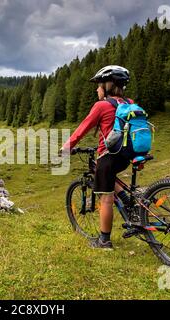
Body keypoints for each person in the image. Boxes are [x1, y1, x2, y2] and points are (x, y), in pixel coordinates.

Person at [61, 65, 134, 250]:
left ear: (107, 85)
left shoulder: (101, 106)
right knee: (111, 176)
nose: (96, 89)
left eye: (99, 85)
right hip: (126, 155)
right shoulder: (129, 103)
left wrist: (67, 147)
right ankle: (126, 200)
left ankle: (104, 241)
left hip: (108, 156)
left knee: (106, 198)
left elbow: (82, 129)